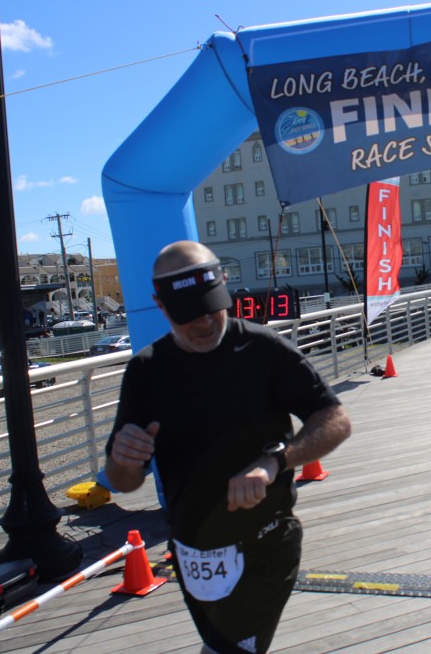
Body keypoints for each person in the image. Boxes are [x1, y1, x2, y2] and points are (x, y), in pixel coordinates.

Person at [105, 240, 351, 654]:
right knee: (219, 646)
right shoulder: (146, 371)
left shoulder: (263, 349)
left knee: (234, 648)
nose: (204, 322)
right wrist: (122, 459)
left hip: (267, 538)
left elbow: (335, 419)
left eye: (212, 306)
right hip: (192, 548)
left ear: (223, 284)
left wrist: (276, 461)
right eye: (188, 314)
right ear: (160, 305)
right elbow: (123, 481)